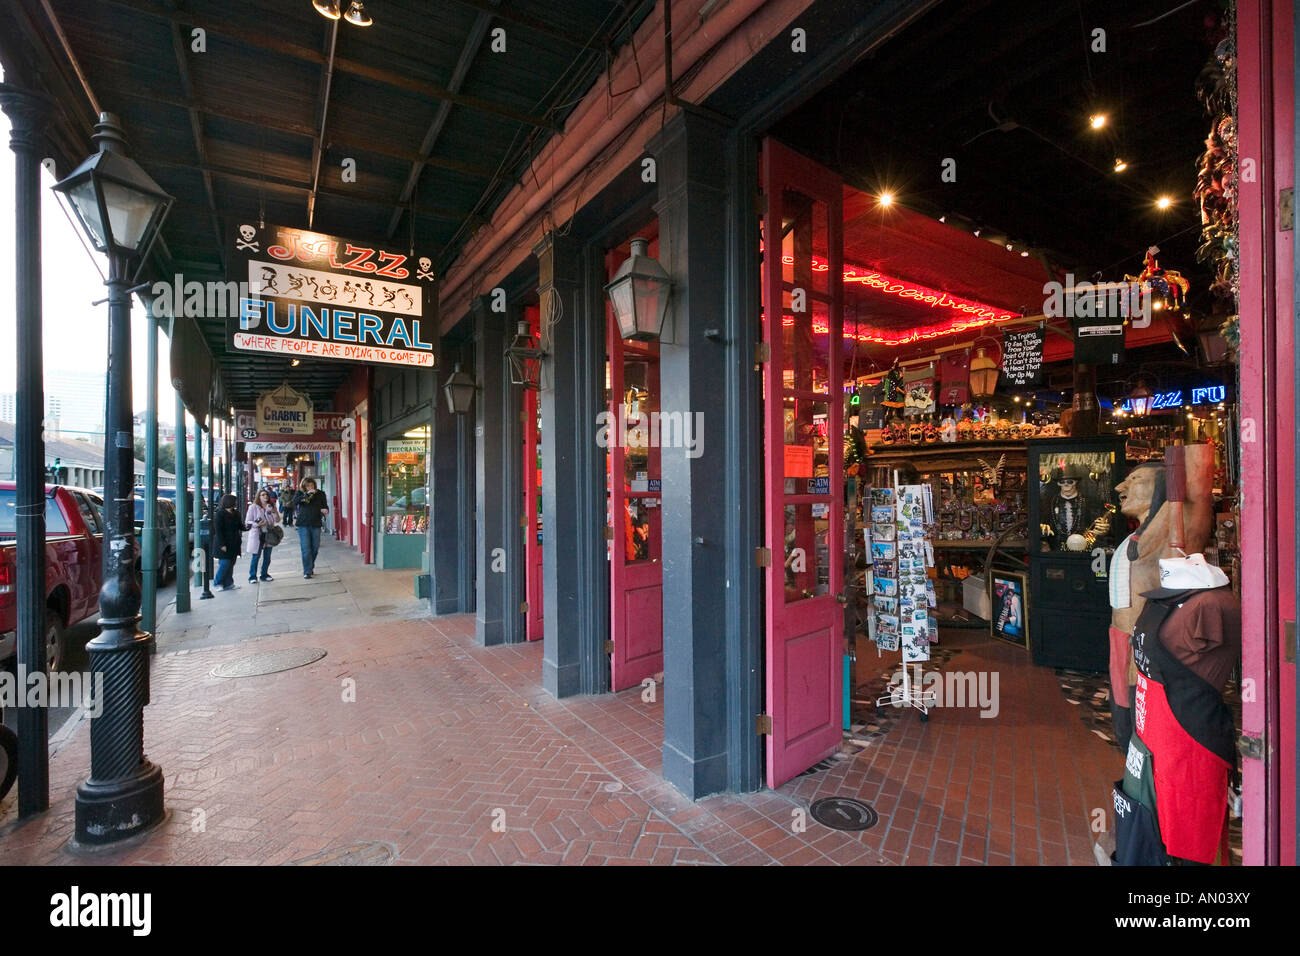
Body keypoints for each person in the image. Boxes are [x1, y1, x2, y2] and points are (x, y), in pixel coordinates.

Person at [293, 477, 329, 578]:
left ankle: (310, 565)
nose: (310, 487)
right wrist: (307, 494)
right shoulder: (300, 493)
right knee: (306, 548)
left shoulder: (320, 493)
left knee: (315, 547)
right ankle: (307, 571)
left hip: (316, 523)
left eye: (312, 485)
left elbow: (325, 506)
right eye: (307, 485)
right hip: (303, 524)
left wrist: (325, 510)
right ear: (304, 486)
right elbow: (294, 502)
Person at [244, 487, 280, 583]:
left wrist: (273, 512)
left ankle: (264, 574)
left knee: (267, 557)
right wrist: (257, 524)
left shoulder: (271, 506)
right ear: (258, 497)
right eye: (263, 495)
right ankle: (252, 576)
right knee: (256, 557)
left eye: (266, 495)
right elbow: (247, 522)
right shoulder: (253, 507)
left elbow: (277, 520)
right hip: (257, 535)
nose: (265, 496)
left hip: (269, 534)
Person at [212, 493, 244, 590]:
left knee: (231, 564)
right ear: (229, 502)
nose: (236, 503)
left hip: (234, 542)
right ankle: (218, 582)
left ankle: (229, 583)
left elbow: (240, 526)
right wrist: (222, 544)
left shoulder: (236, 513)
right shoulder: (219, 514)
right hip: (223, 543)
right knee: (225, 563)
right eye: (235, 501)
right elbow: (218, 530)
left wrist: (248, 527)